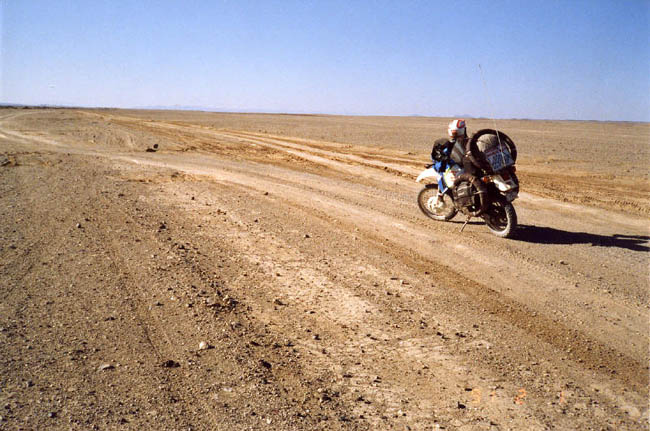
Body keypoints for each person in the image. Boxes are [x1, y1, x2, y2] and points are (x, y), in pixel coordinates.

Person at [430, 119, 469, 192]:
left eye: (456, 132)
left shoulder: (466, 142)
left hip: (465, 167)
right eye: (455, 132)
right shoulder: (465, 142)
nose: (456, 134)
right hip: (463, 166)